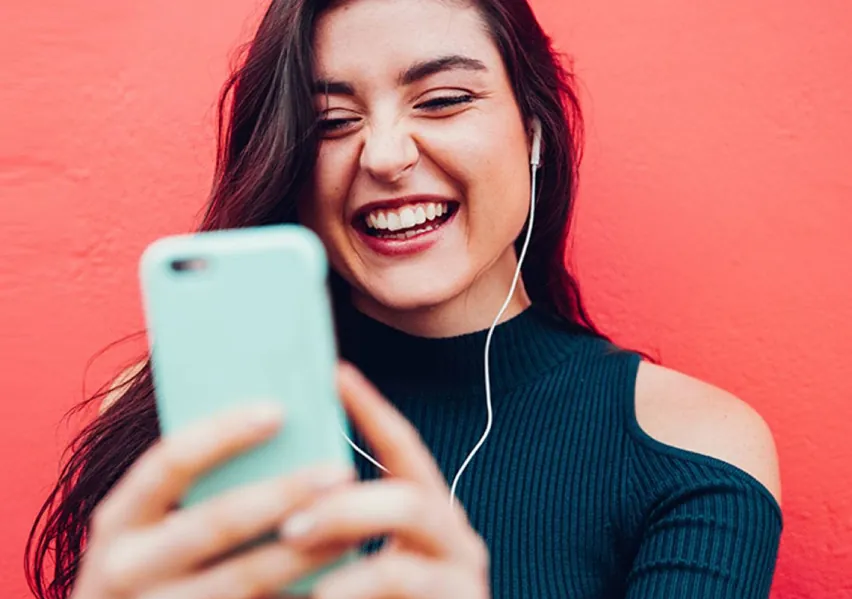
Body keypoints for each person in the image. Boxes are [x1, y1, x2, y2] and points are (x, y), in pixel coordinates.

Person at [26, 0, 783, 598]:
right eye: (330, 121)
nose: (385, 155)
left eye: (443, 99)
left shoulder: (691, 447)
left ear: (533, 130)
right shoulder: (177, 420)